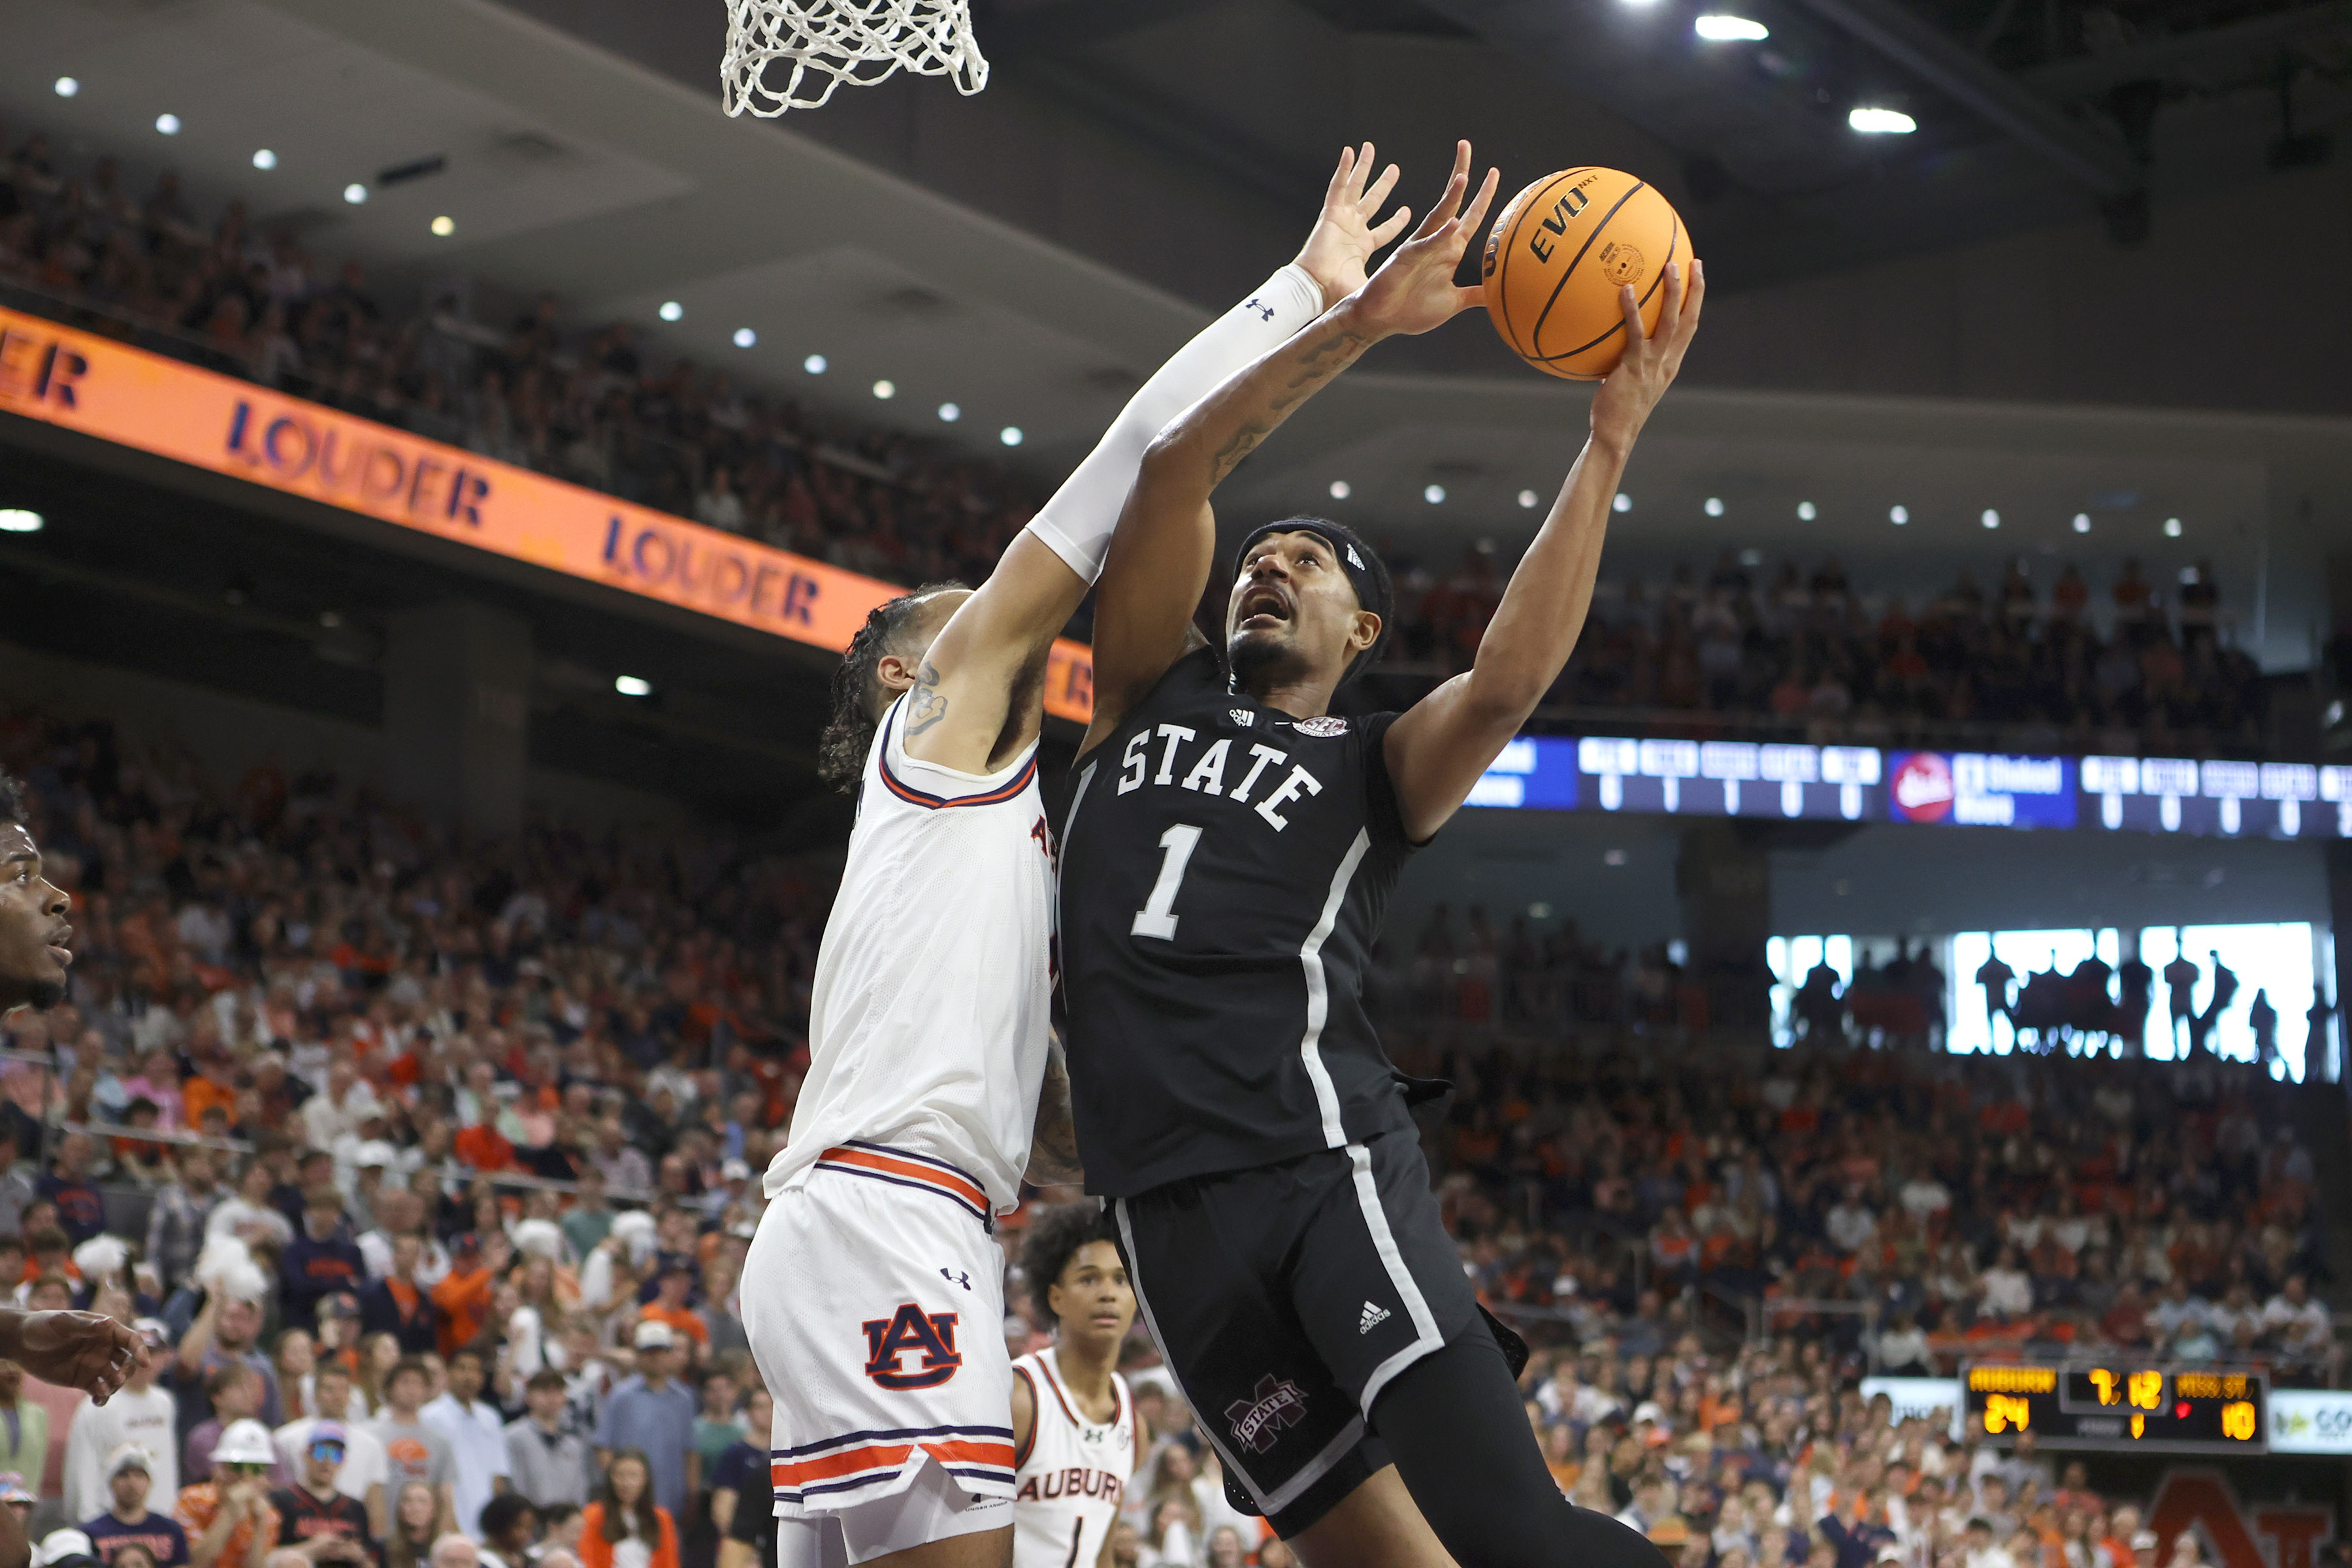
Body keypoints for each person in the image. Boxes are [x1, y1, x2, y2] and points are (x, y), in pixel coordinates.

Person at [1056, 140, 1698, 1568]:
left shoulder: (1369, 765)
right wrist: (1356, 324)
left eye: (1310, 561)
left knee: (1511, 1539)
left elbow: (1508, 685)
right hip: (1165, 1216)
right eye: (1259, 554)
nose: (1266, 565)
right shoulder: (1141, 690)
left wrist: (1606, 444)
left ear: (1362, 638)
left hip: (1317, 1166)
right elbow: (1171, 472)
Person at [740, 153, 1384, 1568]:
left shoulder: (998, 841)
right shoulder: (943, 716)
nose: (997, 604)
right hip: (886, 1220)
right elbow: (1123, 480)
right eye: (963, 606)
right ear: (909, 665)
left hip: (914, 1218)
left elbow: (1042, 1133)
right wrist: (1308, 299)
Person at [1010, 1205, 1140, 1568]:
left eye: (1121, 1279)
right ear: (1055, 1298)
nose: (1108, 1294)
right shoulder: (1019, 1396)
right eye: (1089, 1278)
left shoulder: (1133, 1422)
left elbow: (1102, 1554)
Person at [67, 1326, 179, 1525]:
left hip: (158, 1519)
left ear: (165, 1358)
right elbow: (83, 1467)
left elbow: (167, 1465)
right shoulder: (99, 1404)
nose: (145, 1363)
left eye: (152, 1354)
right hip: (109, 1521)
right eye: (135, 1355)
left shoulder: (165, 1403)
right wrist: (86, 1520)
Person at [587, 1328, 690, 1526]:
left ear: (670, 1355)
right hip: (627, 1503)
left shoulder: (684, 1399)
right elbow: (603, 1447)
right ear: (638, 1356)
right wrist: (616, 1491)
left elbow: (690, 1452)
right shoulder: (620, 1396)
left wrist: (691, 1494)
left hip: (671, 1499)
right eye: (648, 1352)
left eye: (660, 1352)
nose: (655, 1358)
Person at [275, 1367, 387, 1540]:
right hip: (299, 1530)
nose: (337, 1396)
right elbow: (278, 1491)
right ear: (315, 1394)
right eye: (329, 1389)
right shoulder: (286, 1438)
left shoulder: (371, 1444)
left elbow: (375, 1502)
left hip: (350, 1529)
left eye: (344, 1389)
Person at [418, 1352, 507, 1539]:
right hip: (449, 1516)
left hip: (485, 1521)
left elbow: (498, 1476)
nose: (469, 1376)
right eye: (462, 1368)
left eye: (475, 1370)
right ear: (448, 1373)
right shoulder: (429, 1416)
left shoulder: (490, 1418)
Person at [263, 1424, 372, 1568]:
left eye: (336, 1455)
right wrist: (311, 1549)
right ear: (305, 1455)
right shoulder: (280, 1500)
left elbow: (372, 1559)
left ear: (344, 1461)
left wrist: (358, 1556)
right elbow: (263, 1558)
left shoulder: (356, 1508)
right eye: (320, 1452)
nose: (327, 1461)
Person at [176, 1421, 280, 1568]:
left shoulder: (268, 1515)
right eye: (238, 1467)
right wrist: (229, 1515)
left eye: (256, 1468)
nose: (246, 1476)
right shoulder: (191, 1500)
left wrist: (260, 1525)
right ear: (221, 1469)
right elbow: (193, 1564)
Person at [364, 1364, 451, 1538]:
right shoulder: (369, 1435)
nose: (412, 1389)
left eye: (419, 1384)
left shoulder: (440, 1442)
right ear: (390, 1388)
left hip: (422, 1536)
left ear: (427, 1391)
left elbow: (445, 1498)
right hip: (379, 1531)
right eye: (405, 1382)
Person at [82, 1446, 191, 1568]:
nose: (132, 1484)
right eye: (123, 1476)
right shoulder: (90, 1533)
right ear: (111, 1483)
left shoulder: (170, 1529)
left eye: (139, 1475)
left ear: (150, 1482)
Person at [502, 1376, 589, 1515]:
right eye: (544, 1391)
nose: (552, 1398)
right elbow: (512, 1485)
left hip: (564, 1524)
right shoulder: (513, 1436)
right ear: (528, 1397)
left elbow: (579, 1489)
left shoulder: (573, 1443)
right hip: (525, 1520)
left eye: (557, 1392)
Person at [574, 1454, 673, 1568]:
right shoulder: (593, 1513)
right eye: (620, 1475)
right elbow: (586, 1557)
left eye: (633, 1476)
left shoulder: (661, 1517)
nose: (627, 1482)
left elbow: (669, 1562)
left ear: (645, 1479)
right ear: (611, 1478)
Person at [380, 1488, 438, 1568]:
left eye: (422, 1501)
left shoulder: (445, 1549)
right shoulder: (383, 1549)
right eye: (408, 1501)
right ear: (400, 1509)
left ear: (434, 1510)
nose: (415, 1508)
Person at [472, 1498, 534, 1568]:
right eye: (519, 1526)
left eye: (529, 1528)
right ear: (500, 1525)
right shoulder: (483, 1560)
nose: (525, 1534)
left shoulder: (525, 1560)